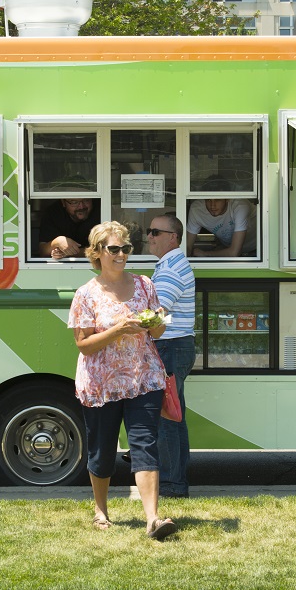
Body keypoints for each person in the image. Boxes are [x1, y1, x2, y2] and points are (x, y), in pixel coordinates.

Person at [68, 220, 178, 540]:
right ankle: (101, 510)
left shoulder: (144, 284)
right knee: (102, 452)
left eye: (125, 249)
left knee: (145, 444)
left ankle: (153, 519)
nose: (120, 255)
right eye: (113, 249)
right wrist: (117, 330)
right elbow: (83, 344)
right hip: (101, 383)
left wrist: (151, 321)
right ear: (97, 253)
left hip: (143, 378)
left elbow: (159, 329)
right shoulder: (85, 294)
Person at [147, 213, 196, 498]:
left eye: (156, 232)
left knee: (166, 417)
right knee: (174, 416)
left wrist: (125, 326)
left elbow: (156, 315)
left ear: (172, 237)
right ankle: (175, 481)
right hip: (175, 347)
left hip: (170, 347)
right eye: (149, 231)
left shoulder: (170, 270)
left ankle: (170, 484)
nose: (150, 236)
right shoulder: (172, 264)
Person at [185, 180, 257, 257]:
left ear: (227, 199)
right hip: (227, 249)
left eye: (217, 199)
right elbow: (187, 247)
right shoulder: (197, 209)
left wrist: (205, 254)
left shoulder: (240, 206)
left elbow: (234, 253)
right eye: (208, 199)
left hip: (259, 249)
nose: (212, 205)